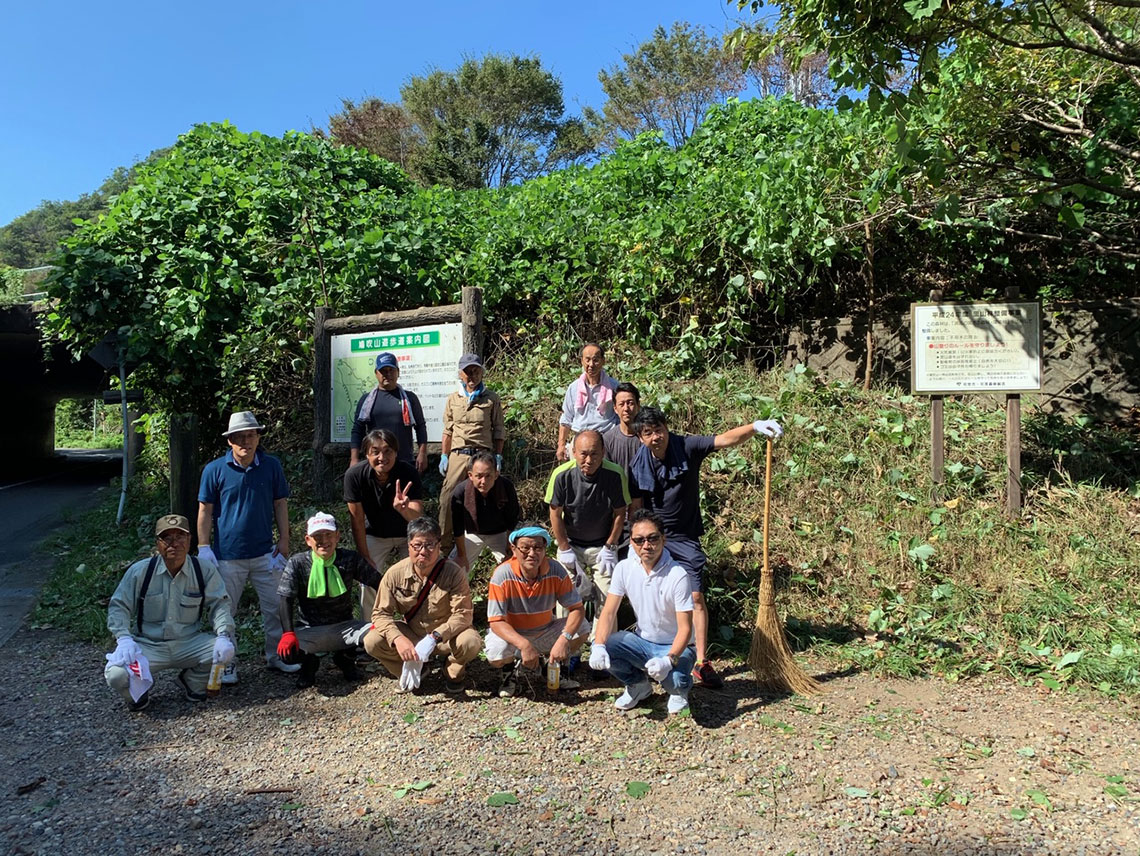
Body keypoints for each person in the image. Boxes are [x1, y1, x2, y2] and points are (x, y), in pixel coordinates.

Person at [628, 405, 783, 689]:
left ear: (666, 428)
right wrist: (635, 542)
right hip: (652, 537)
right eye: (648, 433)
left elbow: (724, 439)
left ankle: (701, 661)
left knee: (696, 597)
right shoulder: (637, 465)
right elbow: (636, 510)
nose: (655, 437)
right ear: (640, 437)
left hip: (684, 536)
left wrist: (755, 426)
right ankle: (653, 654)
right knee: (650, 595)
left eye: (659, 430)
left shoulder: (686, 446)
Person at [197, 411, 295, 683]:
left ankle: (277, 656)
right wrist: (203, 546)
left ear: (258, 437)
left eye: (250, 435)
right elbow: (205, 509)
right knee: (224, 612)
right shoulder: (214, 470)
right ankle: (227, 663)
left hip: (266, 552)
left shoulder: (271, 465)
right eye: (238, 437)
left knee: (276, 607)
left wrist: (284, 539)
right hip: (227, 556)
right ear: (229, 441)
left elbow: (280, 503)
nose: (245, 442)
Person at [105, 514, 235, 711]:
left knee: (224, 650)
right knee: (116, 675)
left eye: (180, 536)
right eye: (167, 538)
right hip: (148, 645)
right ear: (158, 543)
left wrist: (223, 634)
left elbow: (220, 604)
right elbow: (119, 606)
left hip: (189, 642)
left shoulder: (203, 570)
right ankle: (138, 693)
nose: (174, 543)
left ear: (190, 540)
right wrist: (124, 639)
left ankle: (191, 681)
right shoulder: (140, 571)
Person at [590, 510, 696, 715]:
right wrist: (598, 645)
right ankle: (638, 685)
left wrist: (668, 659)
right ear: (631, 542)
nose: (646, 545)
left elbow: (686, 628)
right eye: (639, 540)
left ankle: (678, 692)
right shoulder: (624, 568)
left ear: (663, 539)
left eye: (652, 538)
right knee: (609, 646)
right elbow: (609, 612)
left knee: (677, 681)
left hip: (676, 646)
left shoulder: (678, 575)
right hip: (643, 641)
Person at [363, 517, 482, 694]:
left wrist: (435, 636)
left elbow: (463, 614)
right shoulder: (394, 574)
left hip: (446, 637)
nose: (423, 551)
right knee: (372, 641)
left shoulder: (453, 572)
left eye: (430, 545)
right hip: (413, 635)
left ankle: (452, 669)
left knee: (471, 642)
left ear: (439, 545)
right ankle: (412, 668)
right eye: (417, 545)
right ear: (409, 545)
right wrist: (398, 639)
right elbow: (380, 614)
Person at [276, 512, 382, 689]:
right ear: (308, 540)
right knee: (286, 653)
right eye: (317, 536)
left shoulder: (349, 558)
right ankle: (309, 664)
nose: (323, 540)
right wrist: (288, 634)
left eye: (328, 535)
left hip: (346, 627)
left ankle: (345, 658)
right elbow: (285, 599)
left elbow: (379, 583)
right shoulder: (298, 562)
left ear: (337, 536)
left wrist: (382, 617)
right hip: (310, 629)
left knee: (378, 636)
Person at [484, 524, 589, 698]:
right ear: (514, 549)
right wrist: (523, 644)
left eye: (538, 547)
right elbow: (496, 621)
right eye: (525, 548)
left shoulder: (556, 570)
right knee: (496, 654)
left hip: (544, 629)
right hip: (514, 634)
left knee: (583, 627)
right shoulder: (502, 575)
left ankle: (554, 668)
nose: (532, 553)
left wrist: (564, 639)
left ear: (545, 549)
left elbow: (577, 608)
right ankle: (509, 675)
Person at [545, 430, 628, 625]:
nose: (588, 460)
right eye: (583, 454)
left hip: (602, 546)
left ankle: (602, 645)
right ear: (573, 452)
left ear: (603, 452)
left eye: (594, 454)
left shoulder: (615, 474)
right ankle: (568, 644)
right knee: (566, 595)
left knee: (608, 596)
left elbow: (620, 513)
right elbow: (555, 514)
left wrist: (610, 546)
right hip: (571, 544)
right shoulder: (561, 475)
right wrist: (564, 547)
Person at [344, 428, 424, 618]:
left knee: (419, 573)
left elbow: (417, 517)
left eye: (388, 451)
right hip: (374, 534)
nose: (382, 457)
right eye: (376, 452)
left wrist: (404, 508)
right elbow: (356, 520)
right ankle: (370, 627)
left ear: (396, 452)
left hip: (407, 532)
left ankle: (414, 623)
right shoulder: (354, 475)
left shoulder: (408, 472)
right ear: (366, 454)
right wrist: (364, 556)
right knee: (367, 576)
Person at [438, 353, 505, 550]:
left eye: (475, 371)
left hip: (483, 453)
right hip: (459, 453)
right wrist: (444, 455)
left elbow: (499, 429)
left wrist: (498, 455)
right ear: (460, 374)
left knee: (490, 494)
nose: (471, 376)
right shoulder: (453, 399)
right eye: (467, 372)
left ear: (482, 372)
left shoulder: (491, 398)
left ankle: (496, 540)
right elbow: (448, 430)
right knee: (447, 495)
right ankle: (444, 544)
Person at [349, 352, 428, 473]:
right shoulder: (366, 401)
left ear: (398, 372)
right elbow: (357, 430)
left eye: (391, 370)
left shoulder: (409, 398)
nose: (388, 374)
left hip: (404, 461)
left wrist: (422, 453)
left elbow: (420, 427)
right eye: (383, 371)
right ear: (376, 373)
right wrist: (354, 458)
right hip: (376, 462)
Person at [450, 450, 520, 577]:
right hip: (472, 533)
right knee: (454, 570)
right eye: (479, 476)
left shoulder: (506, 487)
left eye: (488, 476)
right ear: (470, 475)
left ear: (496, 474)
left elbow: (512, 518)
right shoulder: (460, 491)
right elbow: (458, 527)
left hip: (501, 533)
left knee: (516, 567)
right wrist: (461, 555)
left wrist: (510, 548)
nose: (484, 481)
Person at [556, 342, 619, 462]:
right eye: (588, 360)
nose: (591, 364)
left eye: (595, 360)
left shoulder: (614, 387)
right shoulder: (574, 388)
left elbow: (621, 415)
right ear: (582, 361)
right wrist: (561, 445)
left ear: (603, 361)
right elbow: (566, 419)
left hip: (606, 439)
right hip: (581, 441)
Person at [600, 382, 643, 474]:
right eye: (621, 404)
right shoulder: (608, 439)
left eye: (630, 403)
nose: (626, 408)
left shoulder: (647, 437)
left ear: (638, 405)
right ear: (615, 408)